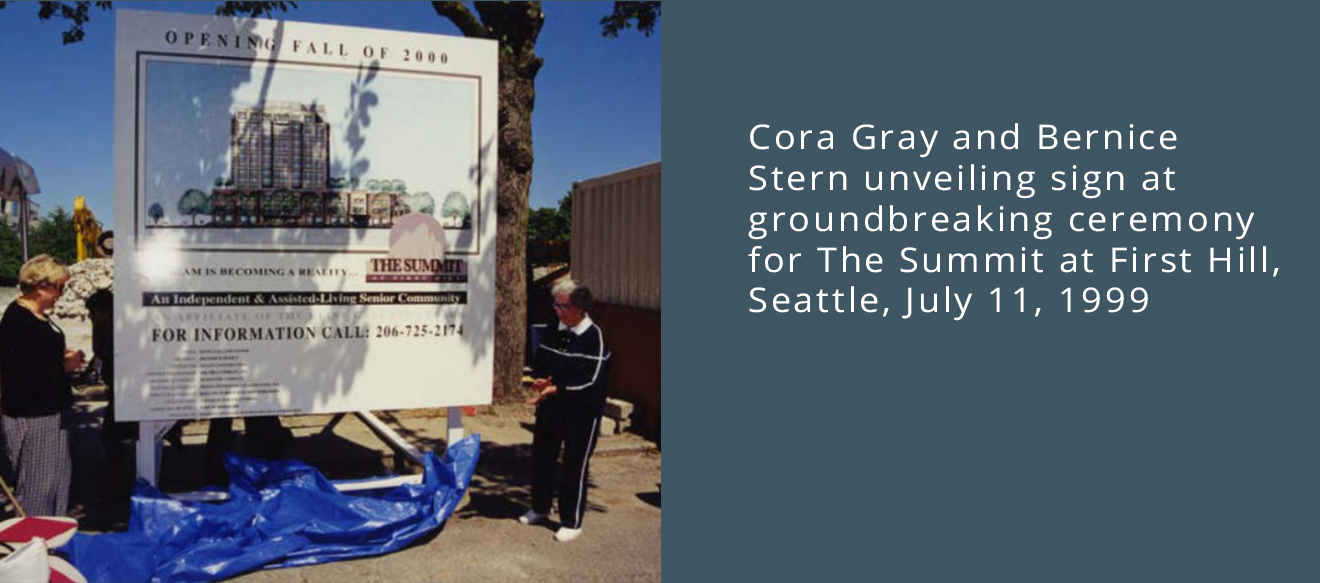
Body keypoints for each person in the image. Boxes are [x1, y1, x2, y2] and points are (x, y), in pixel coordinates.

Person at [520, 280, 611, 542]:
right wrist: (542, 380)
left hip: (582, 412)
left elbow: (591, 379)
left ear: (580, 307)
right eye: (555, 304)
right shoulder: (552, 329)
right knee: (542, 459)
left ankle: (572, 522)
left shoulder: (595, 337)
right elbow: (542, 361)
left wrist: (558, 388)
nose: (557, 310)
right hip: (551, 407)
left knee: (574, 465)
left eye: (563, 305)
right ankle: (539, 508)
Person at [0, 255, 83, 515]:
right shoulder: (18, 321)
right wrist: (63, 366)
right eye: (59, 287)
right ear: (41, 287)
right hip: (34, 415)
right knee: (38, 486)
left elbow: (36, 360)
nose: (61, 294)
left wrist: (61, 361)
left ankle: (49, 537)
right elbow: (21, 375)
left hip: (50, 411)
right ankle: (32, 543)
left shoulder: (36, 316)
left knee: (56, 480)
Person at [86, 289, 136, 502]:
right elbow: (99, 356)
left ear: (106, 312)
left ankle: (121, 482)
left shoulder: (121, 331)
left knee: (114, 437)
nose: (90, 316)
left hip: (126, 392)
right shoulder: (101, 328)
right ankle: (119, 477)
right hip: (115, 390)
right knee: (114, 437)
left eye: (93, 312)